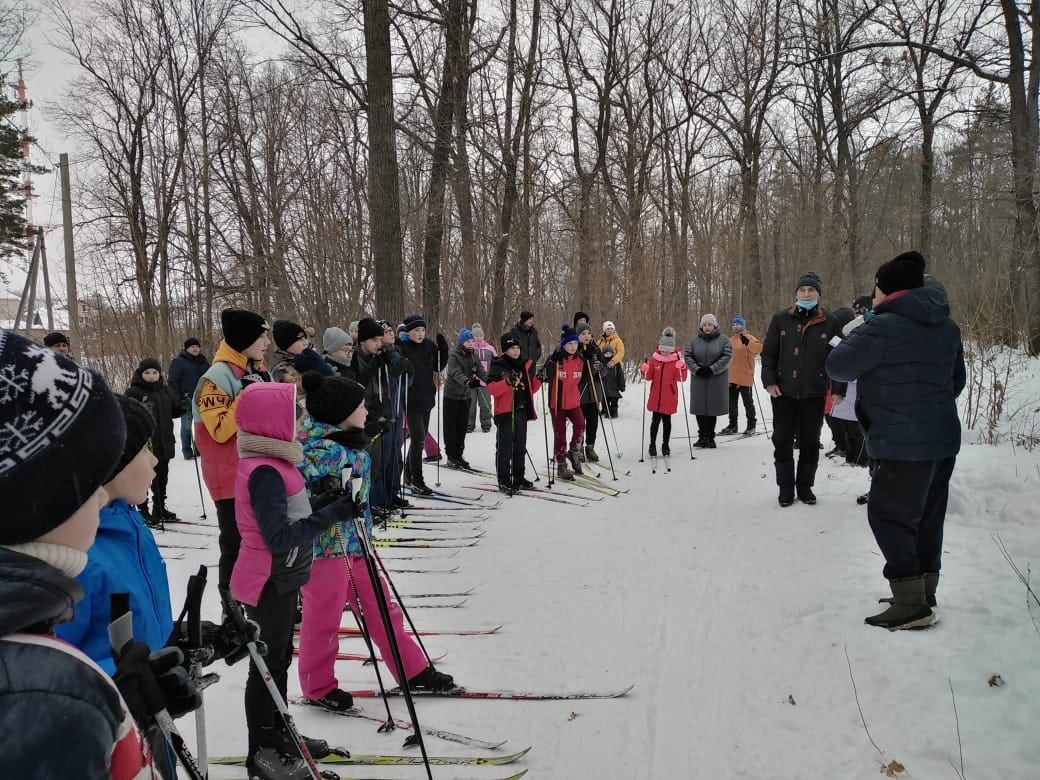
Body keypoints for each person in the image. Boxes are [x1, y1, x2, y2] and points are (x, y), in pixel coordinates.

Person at [0, 329, 189, 778]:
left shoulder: (41, 596)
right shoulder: (40, 697)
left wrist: (140, 685)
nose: (102, 499)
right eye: (90, 487)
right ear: (36, 499)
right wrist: (110, 695)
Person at [296, 371, 455, 715]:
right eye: (359, 406)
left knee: (382, 607)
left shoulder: (347, 442)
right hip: (326, 547)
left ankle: (411, 669)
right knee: (323, 618)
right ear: (340, 413)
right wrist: (321, 496)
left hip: (356, 543)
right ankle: (317, 685)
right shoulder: (317, 452)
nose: (366, 410)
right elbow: (296, 494)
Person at [826, 250, 965, 630]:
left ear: (887, 292)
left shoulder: (883, 327)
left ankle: (910, 605)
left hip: (901, 443)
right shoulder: (947, 326)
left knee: (889, 515)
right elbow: (957, 383)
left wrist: (858, 328)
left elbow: (838, 365)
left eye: (875, 292)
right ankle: (923, 593)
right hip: (941, 439)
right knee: (928, 517)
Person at [230, 381, 357, 778]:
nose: (299, 420)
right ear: (271, 423)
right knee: (266, 665)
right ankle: (261, 750)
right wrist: (331, 516)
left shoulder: (276, 464)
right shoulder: (265, 470)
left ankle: (280, 730)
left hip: (282, 578)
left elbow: (290, 515)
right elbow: (278, 536)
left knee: (280, 660)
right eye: (292, 414)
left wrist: (323, 501)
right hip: (268, 581)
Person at [192, 307, 271, 589]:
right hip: (228, 478)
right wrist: (247, 395)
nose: (267, 343)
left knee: (263, 541)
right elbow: (220, 429)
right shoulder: (215, 377)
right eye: (262, 337)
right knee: (235, 545)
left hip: (256, 471)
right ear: (244, 340)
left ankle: (259, 602)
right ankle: (231, 611)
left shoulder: (254, 369)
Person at [761, 272, 845, 507]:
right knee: (782, 440)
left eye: (811, 290)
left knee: (810, 442)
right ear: (796, 293)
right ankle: (786, 488)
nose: (806, 294)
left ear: (818, 294)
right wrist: (769, 381)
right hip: (783, 392)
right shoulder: (781, 320)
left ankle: (805, 487)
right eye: (802, 290)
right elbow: (768, 354)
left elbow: (839, 358)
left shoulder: (830, 322)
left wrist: (838, 388)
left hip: (814, 393)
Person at [125, 358, 184, 524]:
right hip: (144, 443)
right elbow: (127, 415)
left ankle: (160, 507)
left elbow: (174, 410)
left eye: (155, 372)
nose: (151, 376)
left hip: (164, 439)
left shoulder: (165, 391)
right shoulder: (134, 392)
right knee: (144, 477)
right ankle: (143, 509)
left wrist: (183, 406)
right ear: (140, 373)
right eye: (147, 373)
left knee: (162, 476)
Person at [398, 314, 450, 495]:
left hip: (427, 396)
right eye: (416, 331)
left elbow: (438, 366)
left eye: (422, 330)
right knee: (419, 438)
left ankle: (409, 475)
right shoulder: (402, 346)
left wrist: (443, 350)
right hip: (411, 398)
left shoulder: (429, 345)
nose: (420, 334)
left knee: (417, 440)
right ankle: (417, 481)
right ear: (408, 331)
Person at [487, 334, 542, 491]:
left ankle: (519, 477)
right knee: (505, 447)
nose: (516, 351)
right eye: (512, 348)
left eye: (518, 348)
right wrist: (507, 382)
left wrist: (539, 379)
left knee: (520, 446)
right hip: (505, 411)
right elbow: (491, 389)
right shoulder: (498, 365)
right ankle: (504, 479)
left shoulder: (525, 364)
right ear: (505, 350)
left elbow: (531, 388)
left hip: (521, 410)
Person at [543, 325, 587, 480]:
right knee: (560, 434)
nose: (573, 347)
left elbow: (586, 378)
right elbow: (545, 376)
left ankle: (574, 451)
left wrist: (598, 368)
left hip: (574, 401)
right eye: (570, 344)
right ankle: (561, 464)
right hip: (557, 403)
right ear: (563, 344)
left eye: (575, 343)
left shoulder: (580, 360)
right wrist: (550, 363)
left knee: (581, 424)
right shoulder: (555, 359)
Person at [684, 314, 732, 448]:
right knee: (700, 408)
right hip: (699, 378)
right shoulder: (694, 341)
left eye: (709, 325)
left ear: (715, 326)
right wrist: (697, 369)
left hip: (716, 379)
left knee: (712, 408)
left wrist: (712, 369)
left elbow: (727, 356)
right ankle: (702, 437)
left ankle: (710, 437)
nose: (707, 327)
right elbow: (687, 356)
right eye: (704, 325)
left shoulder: (724, 340)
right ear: (701, 326)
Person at [640, 327, 688, 457]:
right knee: (655, 421)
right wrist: (644, 369)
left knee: (667, 422)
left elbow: (682, 378)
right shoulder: (655, 360)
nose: (665, 352)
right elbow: (648, 376)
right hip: (656, 396)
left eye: (668, 350)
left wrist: (682, 367)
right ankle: (652, 445)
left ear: (672, 349)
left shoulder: (675, 361)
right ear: (659, 348)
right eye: (663, 349)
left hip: (669, 397)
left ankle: (665, 445)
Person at [443, 329, 486, 470]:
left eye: (472, 341)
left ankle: (459, 455)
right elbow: (455, 373)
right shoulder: (454, 356)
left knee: (462, 427)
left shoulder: (473, 356)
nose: (471, 344)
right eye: (468, 341)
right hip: (452, 396)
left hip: (465, 397)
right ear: (462, 342)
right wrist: (467, 382)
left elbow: (480, 370)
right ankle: (451, 456)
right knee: (451, 428)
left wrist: (492, 379)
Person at [720, 315, 762, 435]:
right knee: (732, 403)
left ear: (743, 325)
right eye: (734, 324)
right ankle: (733, 425)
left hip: (745, 376)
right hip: (731, 376)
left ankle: (751, 425)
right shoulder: (729, 340)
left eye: (738, 324)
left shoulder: (749, 337)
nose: (736, 326)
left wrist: (748, 343)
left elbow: (758, 349)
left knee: (747, 402)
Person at [169, 337, 210, 460]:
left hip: (203, 399)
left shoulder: (203, 361)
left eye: (197, 346)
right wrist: (178, 398)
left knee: (201, 426)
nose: (195, 349)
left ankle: (199, 448)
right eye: (192, 347)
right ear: (186, 348)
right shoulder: (178, 362)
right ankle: (187, 450)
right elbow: (173, 381)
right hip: (186, 399)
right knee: (187, 426)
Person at [575, 321, 605, 462]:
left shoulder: (595, 349)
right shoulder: (574, 349)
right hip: (580, 392)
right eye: (583, 334)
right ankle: (578, 447)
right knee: (580, 422)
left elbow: (603, 371)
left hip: (594, 392)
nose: (586, 336)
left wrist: (600, 367)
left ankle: (590, 447)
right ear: (578, 335)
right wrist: (582, 358)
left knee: (593, 421)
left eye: (588, 333)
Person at [270, 319, 332, 385]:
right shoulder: (281, 369)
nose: (305, 343)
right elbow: (300, 391)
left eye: (305, 338)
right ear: (287, 344)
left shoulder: (308, 358)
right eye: (300, 340)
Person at [467, 323, 496, 434]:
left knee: (485, 404)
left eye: (480, 335)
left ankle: (486, 424)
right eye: (475, 335)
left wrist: (492, 376)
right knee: (470, 404)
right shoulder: (469, 349)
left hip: (485, 381)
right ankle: (469, 424)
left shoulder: (490, 349)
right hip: (472, 381)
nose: (478, 337)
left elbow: (496, 363)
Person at [596, 322, 626, 417]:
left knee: (612, 391)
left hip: (614, 368)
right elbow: (596, 351)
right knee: (603, 390)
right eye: (607, 329)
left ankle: (614, 409)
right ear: (604, 330)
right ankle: (605, 408)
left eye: (611, 329)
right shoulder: (600, 341)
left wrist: (613, 361)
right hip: (603, 367)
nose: (609, 330)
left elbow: (621, 352)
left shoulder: (617, 340)